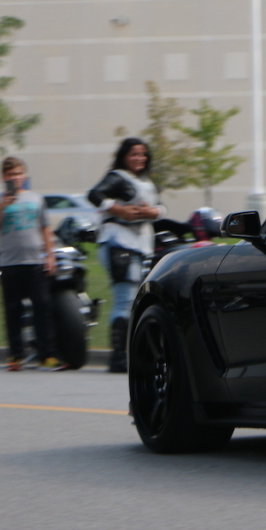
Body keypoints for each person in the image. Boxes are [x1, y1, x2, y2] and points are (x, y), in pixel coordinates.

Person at [87, 137, 165, 373]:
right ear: (124, 156)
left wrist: (153, 211)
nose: (139, 158)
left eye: (142, 154)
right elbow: (94, 194)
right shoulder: (118, 177)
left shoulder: (146, 182)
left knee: (134, 301)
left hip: (140, 244)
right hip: (119, 242)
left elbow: (161, 208)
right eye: (133, 154)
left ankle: (131, 354)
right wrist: (118, 209)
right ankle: (118, 358)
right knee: (124, 299)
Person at [0, 156, 62, 371]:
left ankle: (48, 354)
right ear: (2, 177)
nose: (14, 178)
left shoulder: (36, 199)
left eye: (17, 174)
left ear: (24, 176)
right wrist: (1, 207)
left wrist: (50, 255)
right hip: (9, 263)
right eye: (10, 175)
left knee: (42, 308)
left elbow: (45, 228)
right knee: (13, 310)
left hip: (35, 261)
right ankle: (16, 355)